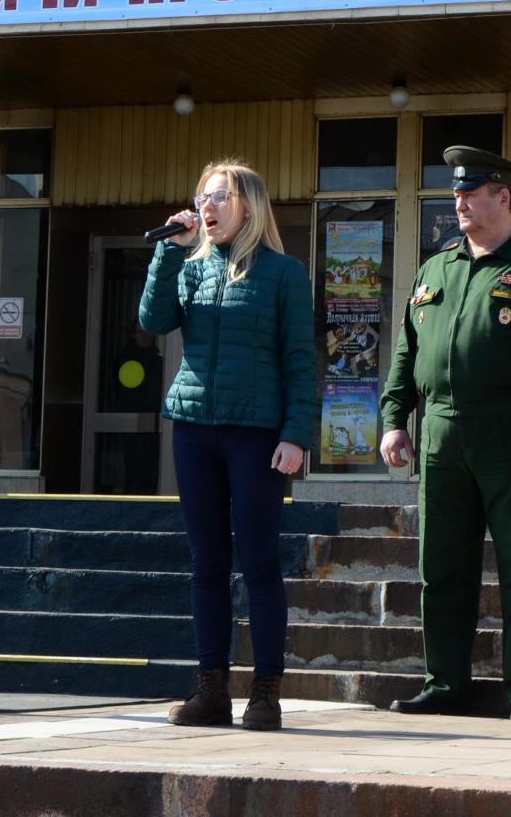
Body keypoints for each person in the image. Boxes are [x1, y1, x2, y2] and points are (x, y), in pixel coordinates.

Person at [378, 146, 511, 721]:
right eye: (456, 193)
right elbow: (407, 352)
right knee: (442, 568)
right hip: (442, 432)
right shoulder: (435, 267)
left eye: (473, 193)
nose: (460, 202)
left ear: (504, 198)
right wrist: (395, 418)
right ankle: (445, 684)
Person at [140, 159, 316, 733]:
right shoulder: (191, 267)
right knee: (206, 563)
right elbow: (153, 317)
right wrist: (170, 251)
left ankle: (266, 692)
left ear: (249, 206)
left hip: (258, 435)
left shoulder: (284, 274)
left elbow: (300, 362)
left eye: (219, 197)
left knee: (260, 564)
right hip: (195, 429)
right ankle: (211, 687)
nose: (207, 207)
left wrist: (295, 436)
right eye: (202, 197)